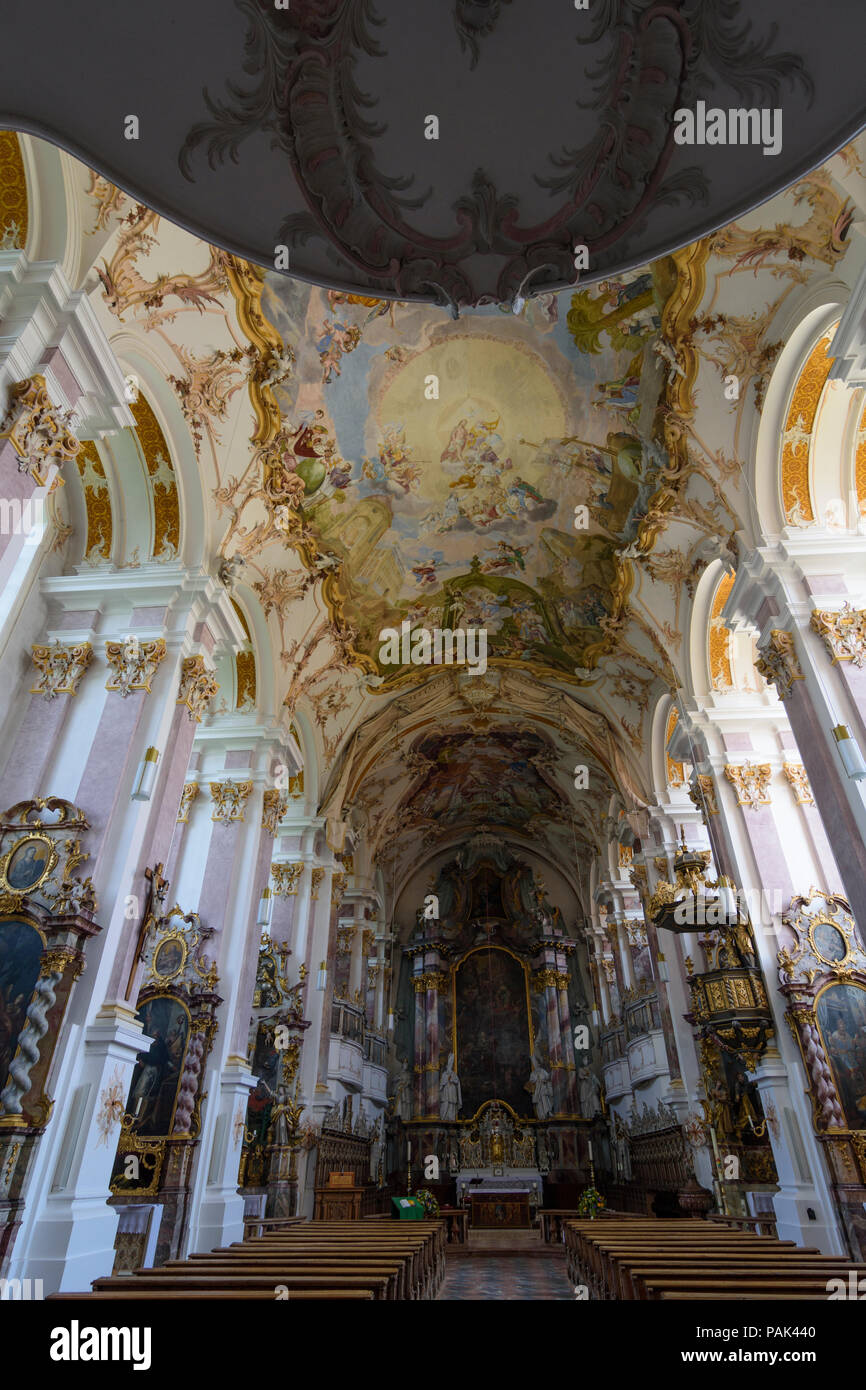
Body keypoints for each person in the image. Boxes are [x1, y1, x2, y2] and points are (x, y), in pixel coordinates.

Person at [528, 1046, 554, 1121]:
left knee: (545, 1100)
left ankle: (548, 1112)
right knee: (539, 1103)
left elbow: (547, 1078)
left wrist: (546, 1080)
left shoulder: (543, 1071)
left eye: (536, 1062)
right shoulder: (533, 1073)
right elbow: (531, 1081)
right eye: (534, 1063)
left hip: (543, 1088)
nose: (536, 1064)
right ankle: (542, 1115)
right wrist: (536, 1080)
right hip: (537, 1089)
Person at [439, 1053, 462, 1121]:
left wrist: (452, 1080)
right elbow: (441, 1084)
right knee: (445, 1105)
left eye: (451, 1064)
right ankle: (443, 1118)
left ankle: (451, 1119)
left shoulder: (454, 1074)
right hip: (446, 1092)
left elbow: (457, 1082)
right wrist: (446, 1080)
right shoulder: (444, 1074)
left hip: (452, 1092)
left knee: (452, 1106)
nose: (450, 1065)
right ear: (447, 1065)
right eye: (449, 1063)